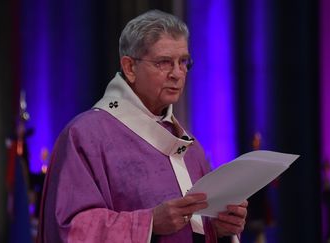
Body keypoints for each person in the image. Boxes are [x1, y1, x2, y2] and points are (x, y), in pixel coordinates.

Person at [38, 9, 248, 243]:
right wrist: (149, 224)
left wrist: (219, 226)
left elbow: (196, 229)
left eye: (183, 62)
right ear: (129, 67)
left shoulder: (189, 147)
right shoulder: (86, 136)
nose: (178, 74)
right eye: (164, 62)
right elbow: (70, 228)